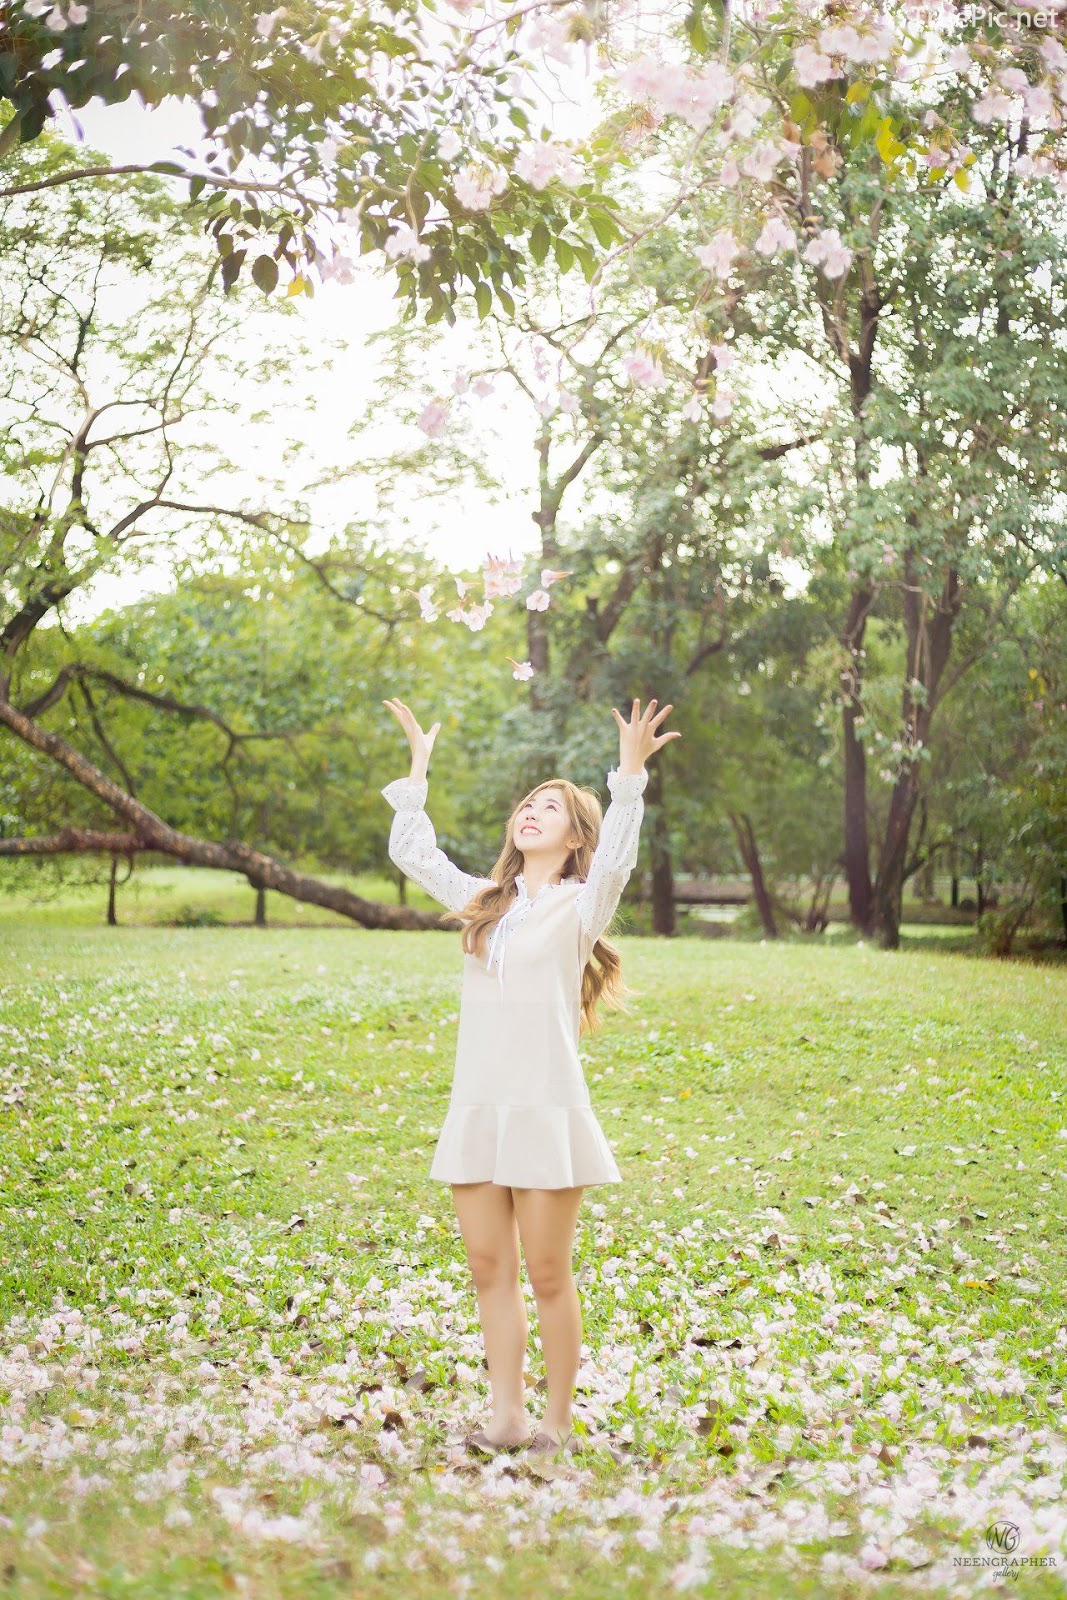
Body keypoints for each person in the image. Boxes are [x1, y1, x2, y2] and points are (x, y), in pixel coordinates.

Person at [380, 696, 680, 1457]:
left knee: (547, 1272)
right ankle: (505, 1418)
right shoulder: (484, 903)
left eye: (549, 808)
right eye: (526, 806)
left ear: (574, 834)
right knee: (488, 1269)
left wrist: (630, 777)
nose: (530, 814)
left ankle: (555, 1425)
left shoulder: (581, 906)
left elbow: (617, 862)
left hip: (545, 1108)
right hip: (478, 1107)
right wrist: (416, 770)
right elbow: (415, 855)